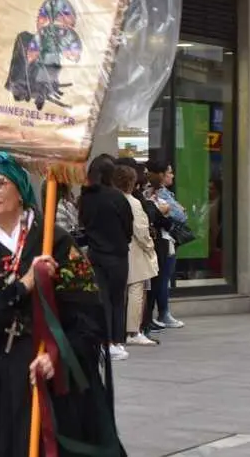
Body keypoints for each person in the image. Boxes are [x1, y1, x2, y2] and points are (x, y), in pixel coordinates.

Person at [0, 149, 126, 456]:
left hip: (51, 373)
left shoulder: (55, 241)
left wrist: (58, 354)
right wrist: (24, 285)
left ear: (20, 190)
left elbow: (89, 316)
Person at [78, 154, 133, 360]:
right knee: (118, 298)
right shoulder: (117, 197)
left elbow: (83, 222)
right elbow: (128, 227)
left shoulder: (86, 197)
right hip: (117, 254)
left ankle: (104, 341)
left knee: (102, 299)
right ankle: (117, 341)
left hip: (95, 252)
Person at [113, 165, 159, 346]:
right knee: (136, 289)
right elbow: (140, 230)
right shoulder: (134, 203)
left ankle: (119, 330)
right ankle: (133, 331)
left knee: (119, 292)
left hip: (117, 249)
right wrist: (150, 245)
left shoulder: (112, 198)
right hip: (135, 250)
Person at [145, 160, 187, 330]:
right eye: (169, 172)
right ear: (161, 174)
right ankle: (162, 313)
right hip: (162, 239)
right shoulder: (158, 193)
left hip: (164, 239)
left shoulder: (163, 194)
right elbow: (181, 215)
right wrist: (175, 210)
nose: (172, 175)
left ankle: (158, 314)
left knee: (162, 278)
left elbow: (178, 213)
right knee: (162, 278)